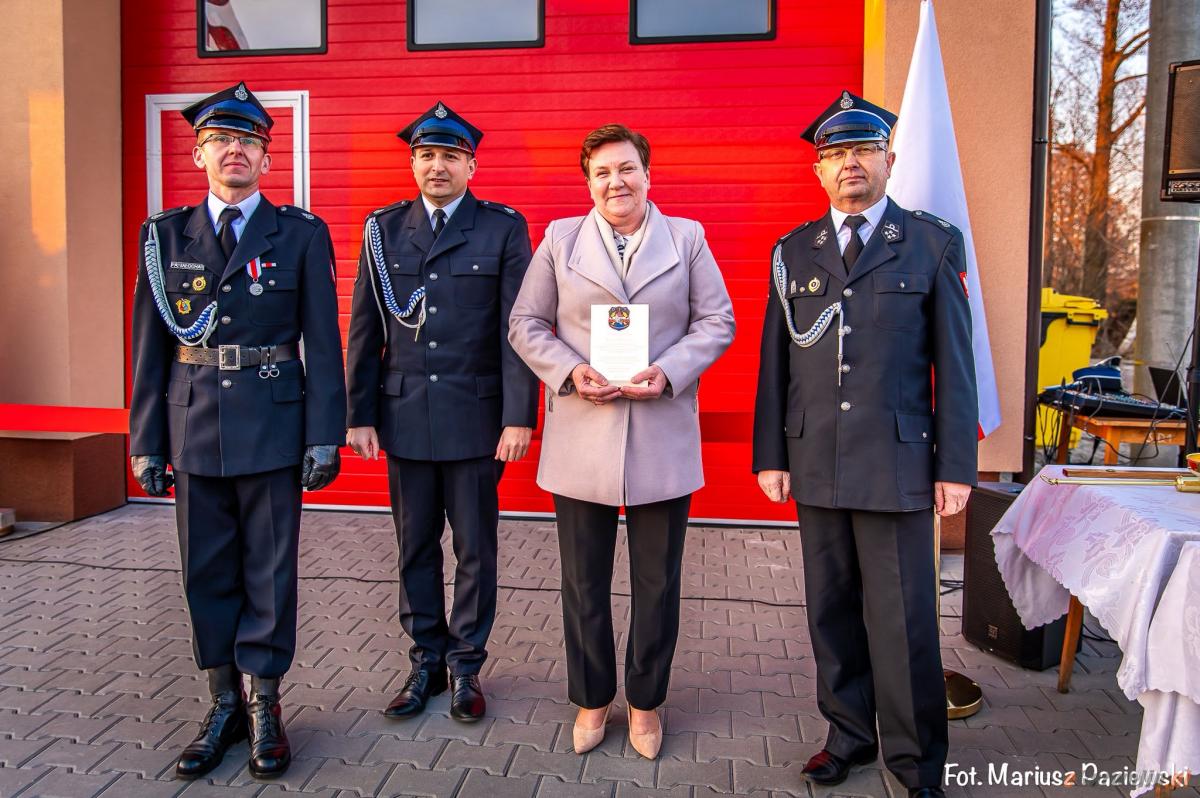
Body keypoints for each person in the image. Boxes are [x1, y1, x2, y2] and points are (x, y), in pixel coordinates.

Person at [752, 91, 978, 798]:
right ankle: (847, 735)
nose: (849, 162)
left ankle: (915, 763)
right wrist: (771, 454)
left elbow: (956, 364)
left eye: (863, 149)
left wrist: (955, 466)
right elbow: (776, 362)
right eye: (835, 153)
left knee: (904, 619)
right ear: (818, 171)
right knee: (832, 611)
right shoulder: (794, 251)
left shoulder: (931, 242)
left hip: (898, 464)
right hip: (816, 458)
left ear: (889, 159)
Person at [129, 82, 346, 780]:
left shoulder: (300, 234)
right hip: (192, 426)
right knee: (206, 571)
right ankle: (222, 703)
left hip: (274, 424)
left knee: (270, 573)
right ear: (198, 154)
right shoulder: (165, 237)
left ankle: (265, 706)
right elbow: (148, 348)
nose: (235, 151)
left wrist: (325, 433)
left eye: (249, 141)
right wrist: (146, 440)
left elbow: (323, 340)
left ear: (266, 159)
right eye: (221, 140)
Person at [509, 124, 735, 759]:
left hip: (660, 432)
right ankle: (591, 698)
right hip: (583, 433)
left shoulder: (686, 238)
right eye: (603, 172)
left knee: (657, 583)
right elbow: (525, 322)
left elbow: (717, 319)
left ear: (647, 174)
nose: (616, 182)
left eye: (627, 168)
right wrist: (569, 371)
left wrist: (668, 371)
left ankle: (645, 702)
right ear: (588, 183)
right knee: (584, 582)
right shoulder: (559, 239)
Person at [345, 101, 538, 723]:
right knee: (414, 547)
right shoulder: (382, 230)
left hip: (477, 420)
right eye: (426, 155)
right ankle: (425, 659)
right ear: (413, 164)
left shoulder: (501, 228)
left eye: (450, 156)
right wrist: (359, 413)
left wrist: (519, 416)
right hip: (403, 416)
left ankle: (465, 666)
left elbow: (517, 329)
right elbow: (364, 328)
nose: (437, 166)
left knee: (475, 550)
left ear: (471, 166)